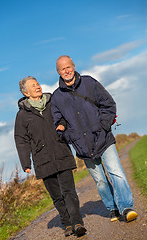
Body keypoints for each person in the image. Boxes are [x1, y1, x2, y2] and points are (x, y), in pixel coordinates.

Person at [51, 55, 138, 223]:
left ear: (74, 66)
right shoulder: (57, 97)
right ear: (58, 72)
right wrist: (70, 137)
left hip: (103, 138)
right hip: (82, 146)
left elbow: (108, 103)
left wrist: (104, 125)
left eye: (69, 67)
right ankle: (112, 208)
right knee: (100, 181)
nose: (67, 71)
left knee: (116, 173)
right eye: (63, 69)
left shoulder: (89, 82)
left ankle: (126, 207)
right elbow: (58, 123)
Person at [14, 76, 86, 237]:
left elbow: (65, 116)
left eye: (37, 84)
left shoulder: (52, 102)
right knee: (57, 195)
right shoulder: (22, 116)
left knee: (69, 191)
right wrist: (26, 163)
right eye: (33, 86)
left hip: (60, 151)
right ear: (26, 93)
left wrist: (63, 125)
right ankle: (67, 223)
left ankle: (77, 222)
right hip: (42, 159)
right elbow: (21, 140)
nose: (37, 87)